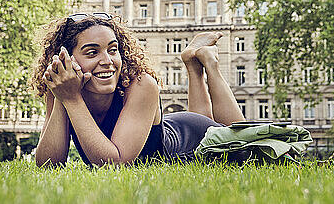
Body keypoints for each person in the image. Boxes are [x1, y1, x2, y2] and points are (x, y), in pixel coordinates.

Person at [31, 13, 245, 167]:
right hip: (164, 127)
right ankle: (193, 63)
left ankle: (210, 64)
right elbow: (48, 164)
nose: (108, 61)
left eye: (113, 50)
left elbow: (115, 163)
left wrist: (72, 100)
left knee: (241, 137)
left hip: (188, 139)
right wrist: (64, 96)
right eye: (91, 53)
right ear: (65, 60)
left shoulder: (142, 84)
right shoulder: (61, 88)